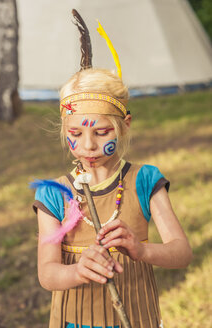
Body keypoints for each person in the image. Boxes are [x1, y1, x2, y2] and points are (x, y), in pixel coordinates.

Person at [32, 11, 192, 328]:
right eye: (75, 134)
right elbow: (47, 273)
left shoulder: (145, 181)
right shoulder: (53, 194)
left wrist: (141, 250)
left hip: (137, 317)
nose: (88, 145)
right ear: (64, 131)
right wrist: (77, 271)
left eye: (102, 132)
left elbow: (182, 252)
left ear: (124, 126)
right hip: (74, 321)